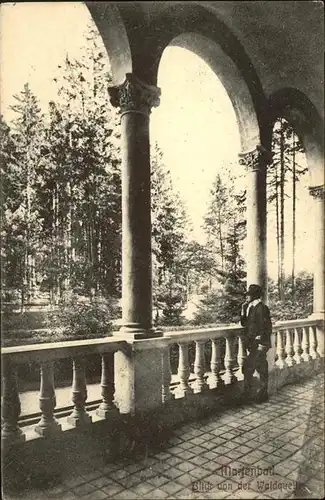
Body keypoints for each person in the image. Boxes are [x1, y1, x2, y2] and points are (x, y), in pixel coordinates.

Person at [240, 284, 272, 403]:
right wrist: (243, 310)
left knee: (256, 367)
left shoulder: (262, 308)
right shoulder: (250, 307)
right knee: (254, 367)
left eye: (248, 295)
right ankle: (254, 393)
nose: (246, 297)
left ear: (254, 296)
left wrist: (261, 343)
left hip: (260, 344)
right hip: (253, 344)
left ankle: (259, 394)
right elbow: (244, 324)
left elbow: (267, 327)